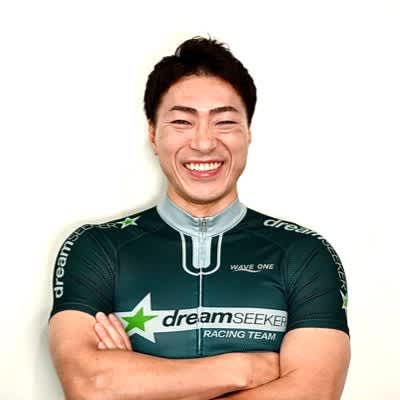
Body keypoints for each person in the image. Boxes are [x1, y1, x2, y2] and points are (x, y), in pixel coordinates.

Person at [48, 35, 350, 400]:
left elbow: (314, 393)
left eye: (224, 122)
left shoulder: (304, 254)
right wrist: (246, 370)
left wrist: (138, 385)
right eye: (182, 121)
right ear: (153, 134)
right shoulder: (97, 248)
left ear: (248, 133)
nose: (204, 143)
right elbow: (89, 386)